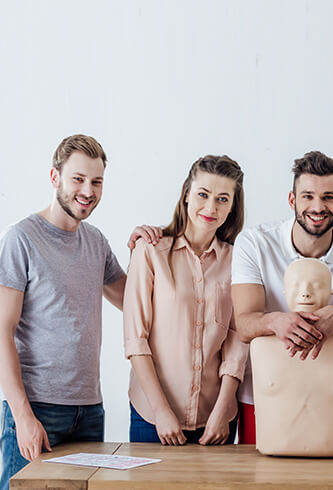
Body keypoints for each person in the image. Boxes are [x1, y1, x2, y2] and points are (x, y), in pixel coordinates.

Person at [0, 135, 152, 488]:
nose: (88, 191)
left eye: (96, 182)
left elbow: (132, 300)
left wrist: (143, 252)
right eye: (78, 179)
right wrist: (22, 416)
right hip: (37, 408)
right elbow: (2, 331)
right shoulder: (21, 239)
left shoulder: (95, 241)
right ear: (55, 177)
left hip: (89, 410)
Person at [231, 151, 333, 444]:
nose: (317, 206)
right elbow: (245, 325)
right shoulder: (254, 243)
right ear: (292, 200)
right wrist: (275, 321)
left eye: (328, 197)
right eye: (308, 196)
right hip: (266, 392)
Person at [124, 155, 248, 446]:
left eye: (222, 199)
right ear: (186, 195)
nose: (211, 207)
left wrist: (222, 410)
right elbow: (135, 339)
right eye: (203, 194)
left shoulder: (238, 260)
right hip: (152, 417)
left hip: (216, 418)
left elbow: (236, 342)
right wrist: (161, 411)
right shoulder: (150, 251)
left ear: (232, 207)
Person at [251, 258, 333, 456]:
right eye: (296, 285)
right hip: (273, 460)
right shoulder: (260, 346)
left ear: (331, 292)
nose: (305, 292)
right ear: (284, 291)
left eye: (317, 285)